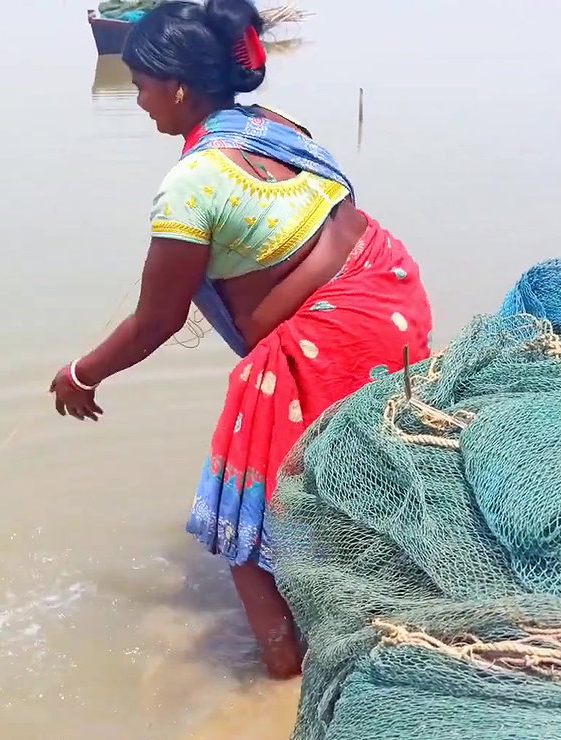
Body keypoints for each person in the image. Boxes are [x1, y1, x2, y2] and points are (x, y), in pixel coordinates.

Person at [49, 0, 433, 679]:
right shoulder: (276, 129)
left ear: (178, 88)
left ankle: (283, 685)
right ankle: (369, 611)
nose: (138, 102)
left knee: (247, 532)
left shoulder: (190, 186)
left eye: (140, 86)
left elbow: (156, 321)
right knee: (350, 489)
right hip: (391, 298)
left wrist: (81, 375)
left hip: (328, 342)